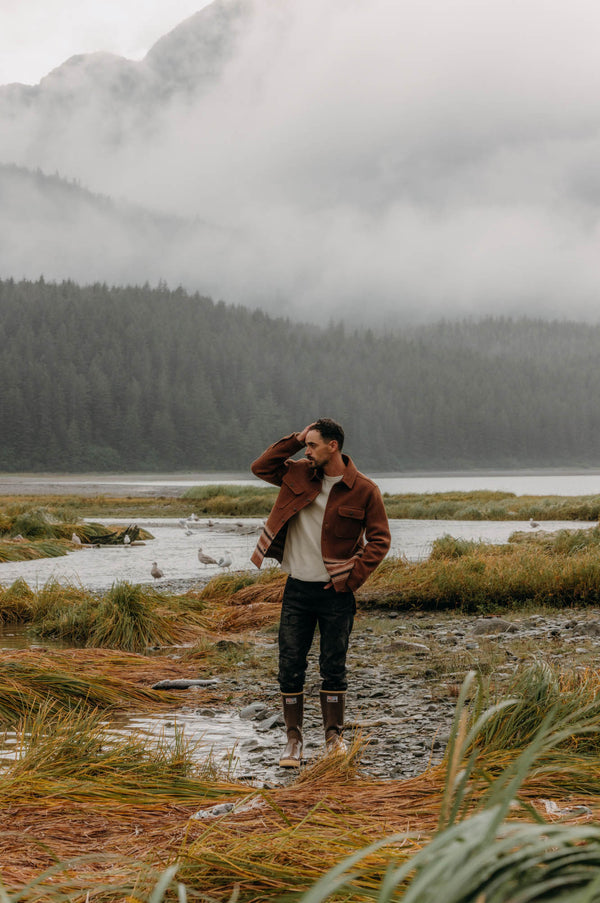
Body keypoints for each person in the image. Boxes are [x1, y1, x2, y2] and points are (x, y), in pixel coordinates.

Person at [250, 418, 391, 768]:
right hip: (297, 587)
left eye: (313, 445)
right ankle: (293, 741)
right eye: (305, 445)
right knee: (290, 666)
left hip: (336, 593)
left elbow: (380, 540)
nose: (307, 451)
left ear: (333, 446)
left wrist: (352, 577)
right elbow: (260, 466)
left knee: (334, 665)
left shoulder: (364, 489)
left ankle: (333, 739)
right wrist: (296, 439)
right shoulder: (296, 472)